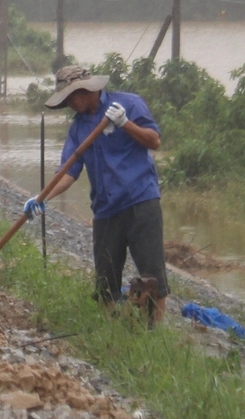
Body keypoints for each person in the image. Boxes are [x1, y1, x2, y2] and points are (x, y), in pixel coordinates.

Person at [33, 64, 167, 322]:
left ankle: (154, 333)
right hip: (106, 209)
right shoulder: (78, 128)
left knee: (153, 275)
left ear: (88, 90)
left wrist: (125, 124)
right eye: (67, 99)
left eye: (73, 96)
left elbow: (154, 141)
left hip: (141, 200)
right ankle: (111, 331)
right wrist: (41, 198)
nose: (71, 103)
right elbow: (69, 172)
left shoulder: (129, 104)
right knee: (106, 281)